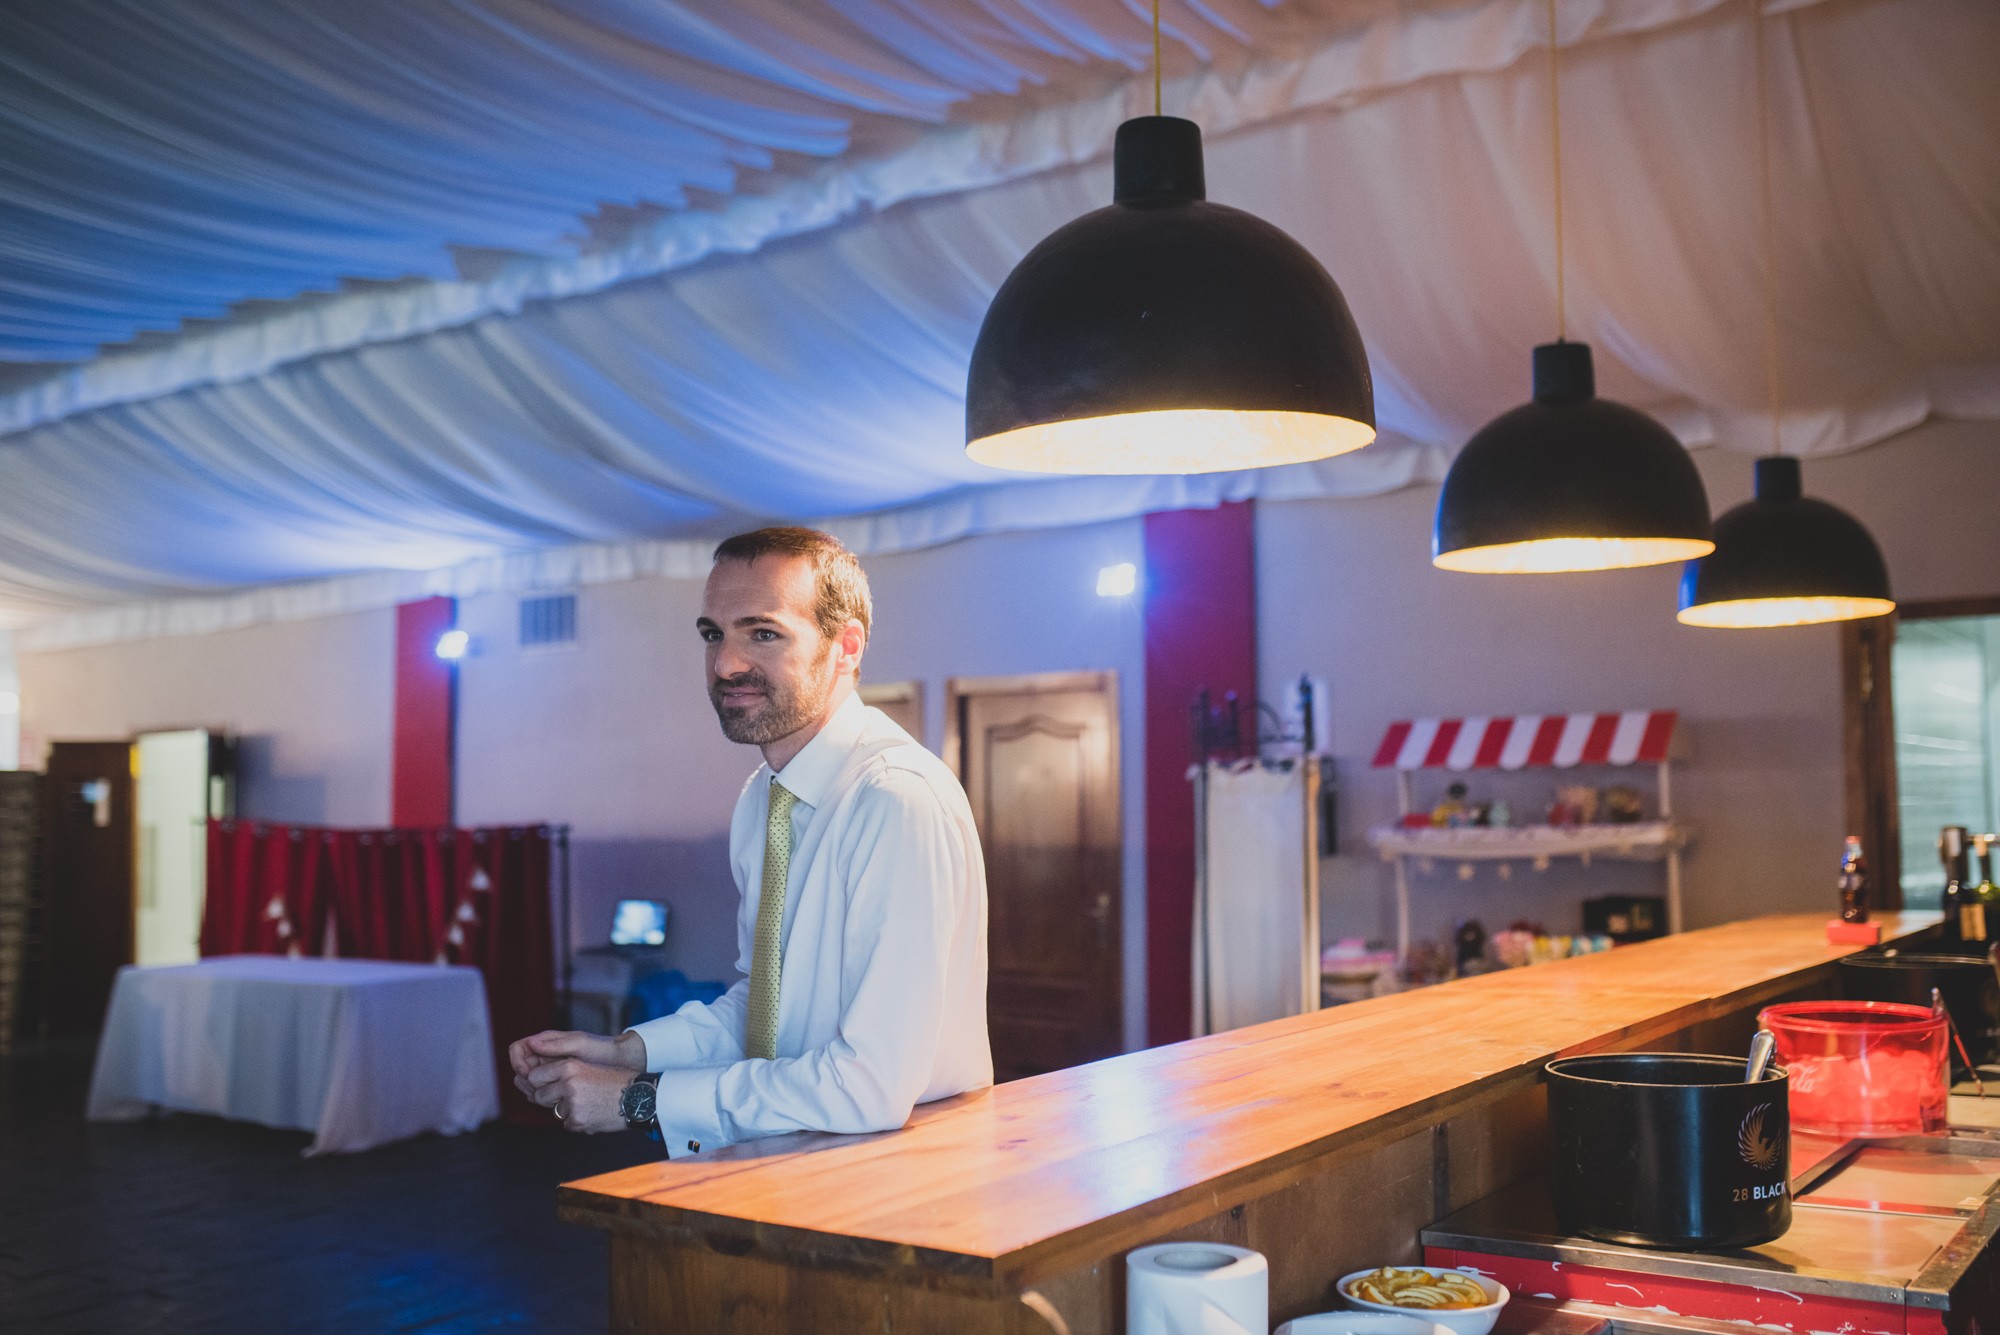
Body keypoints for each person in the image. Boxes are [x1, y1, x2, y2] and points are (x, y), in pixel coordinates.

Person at [509, 527, 991, 1157]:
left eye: (763, 633)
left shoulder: (894, 798)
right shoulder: (764, 797)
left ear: (846, 646)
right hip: (793, 1157)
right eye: (715, 634)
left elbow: (870, 1086)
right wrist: (626, 1051)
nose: (726, 665)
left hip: (899, 1174)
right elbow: (768, 1011)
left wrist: (641, 1098)